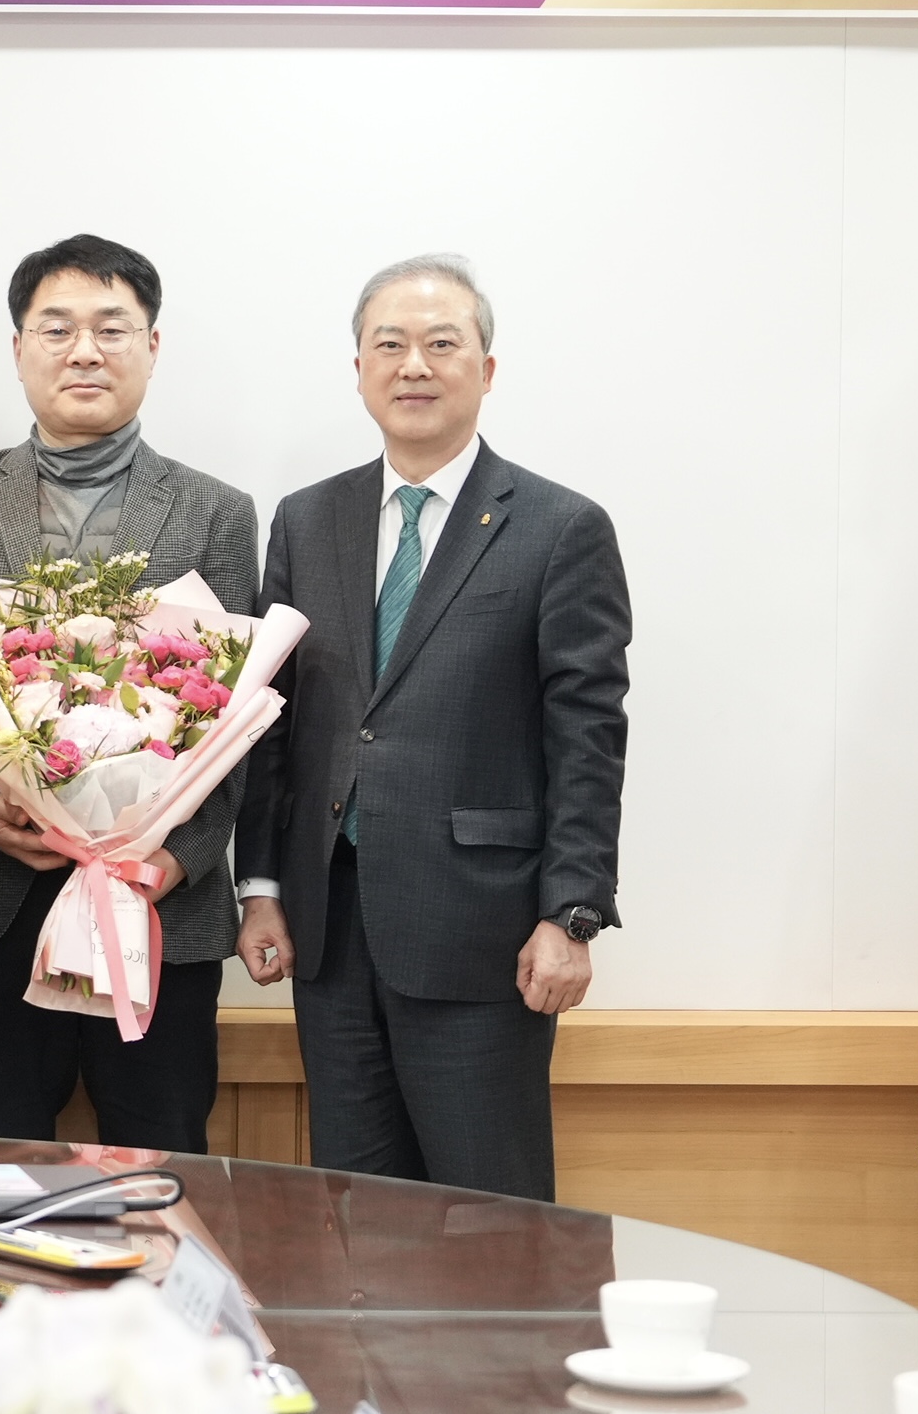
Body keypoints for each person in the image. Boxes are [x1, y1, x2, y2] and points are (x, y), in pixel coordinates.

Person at [235, 253, 629, 1201]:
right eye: (389, 344)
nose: (412, 364)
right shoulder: (306, 519)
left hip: (482, 935)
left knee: (489, 1214)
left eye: (440, 343)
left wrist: (570, 913)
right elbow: (268, 720)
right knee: (354, 1213)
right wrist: (260, 886)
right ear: (359, 369)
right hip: (328, 933)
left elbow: (586, 736)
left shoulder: (558, 527)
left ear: (484, 369)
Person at [0, 234, 256, 1152]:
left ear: (151, 345)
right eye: (56, 329)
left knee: (159, 1160)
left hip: (157, 902)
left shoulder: (217, 511)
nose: (84, 351)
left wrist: (179, 855)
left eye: (111, 328)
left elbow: (238, 715)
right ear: (19, 348)